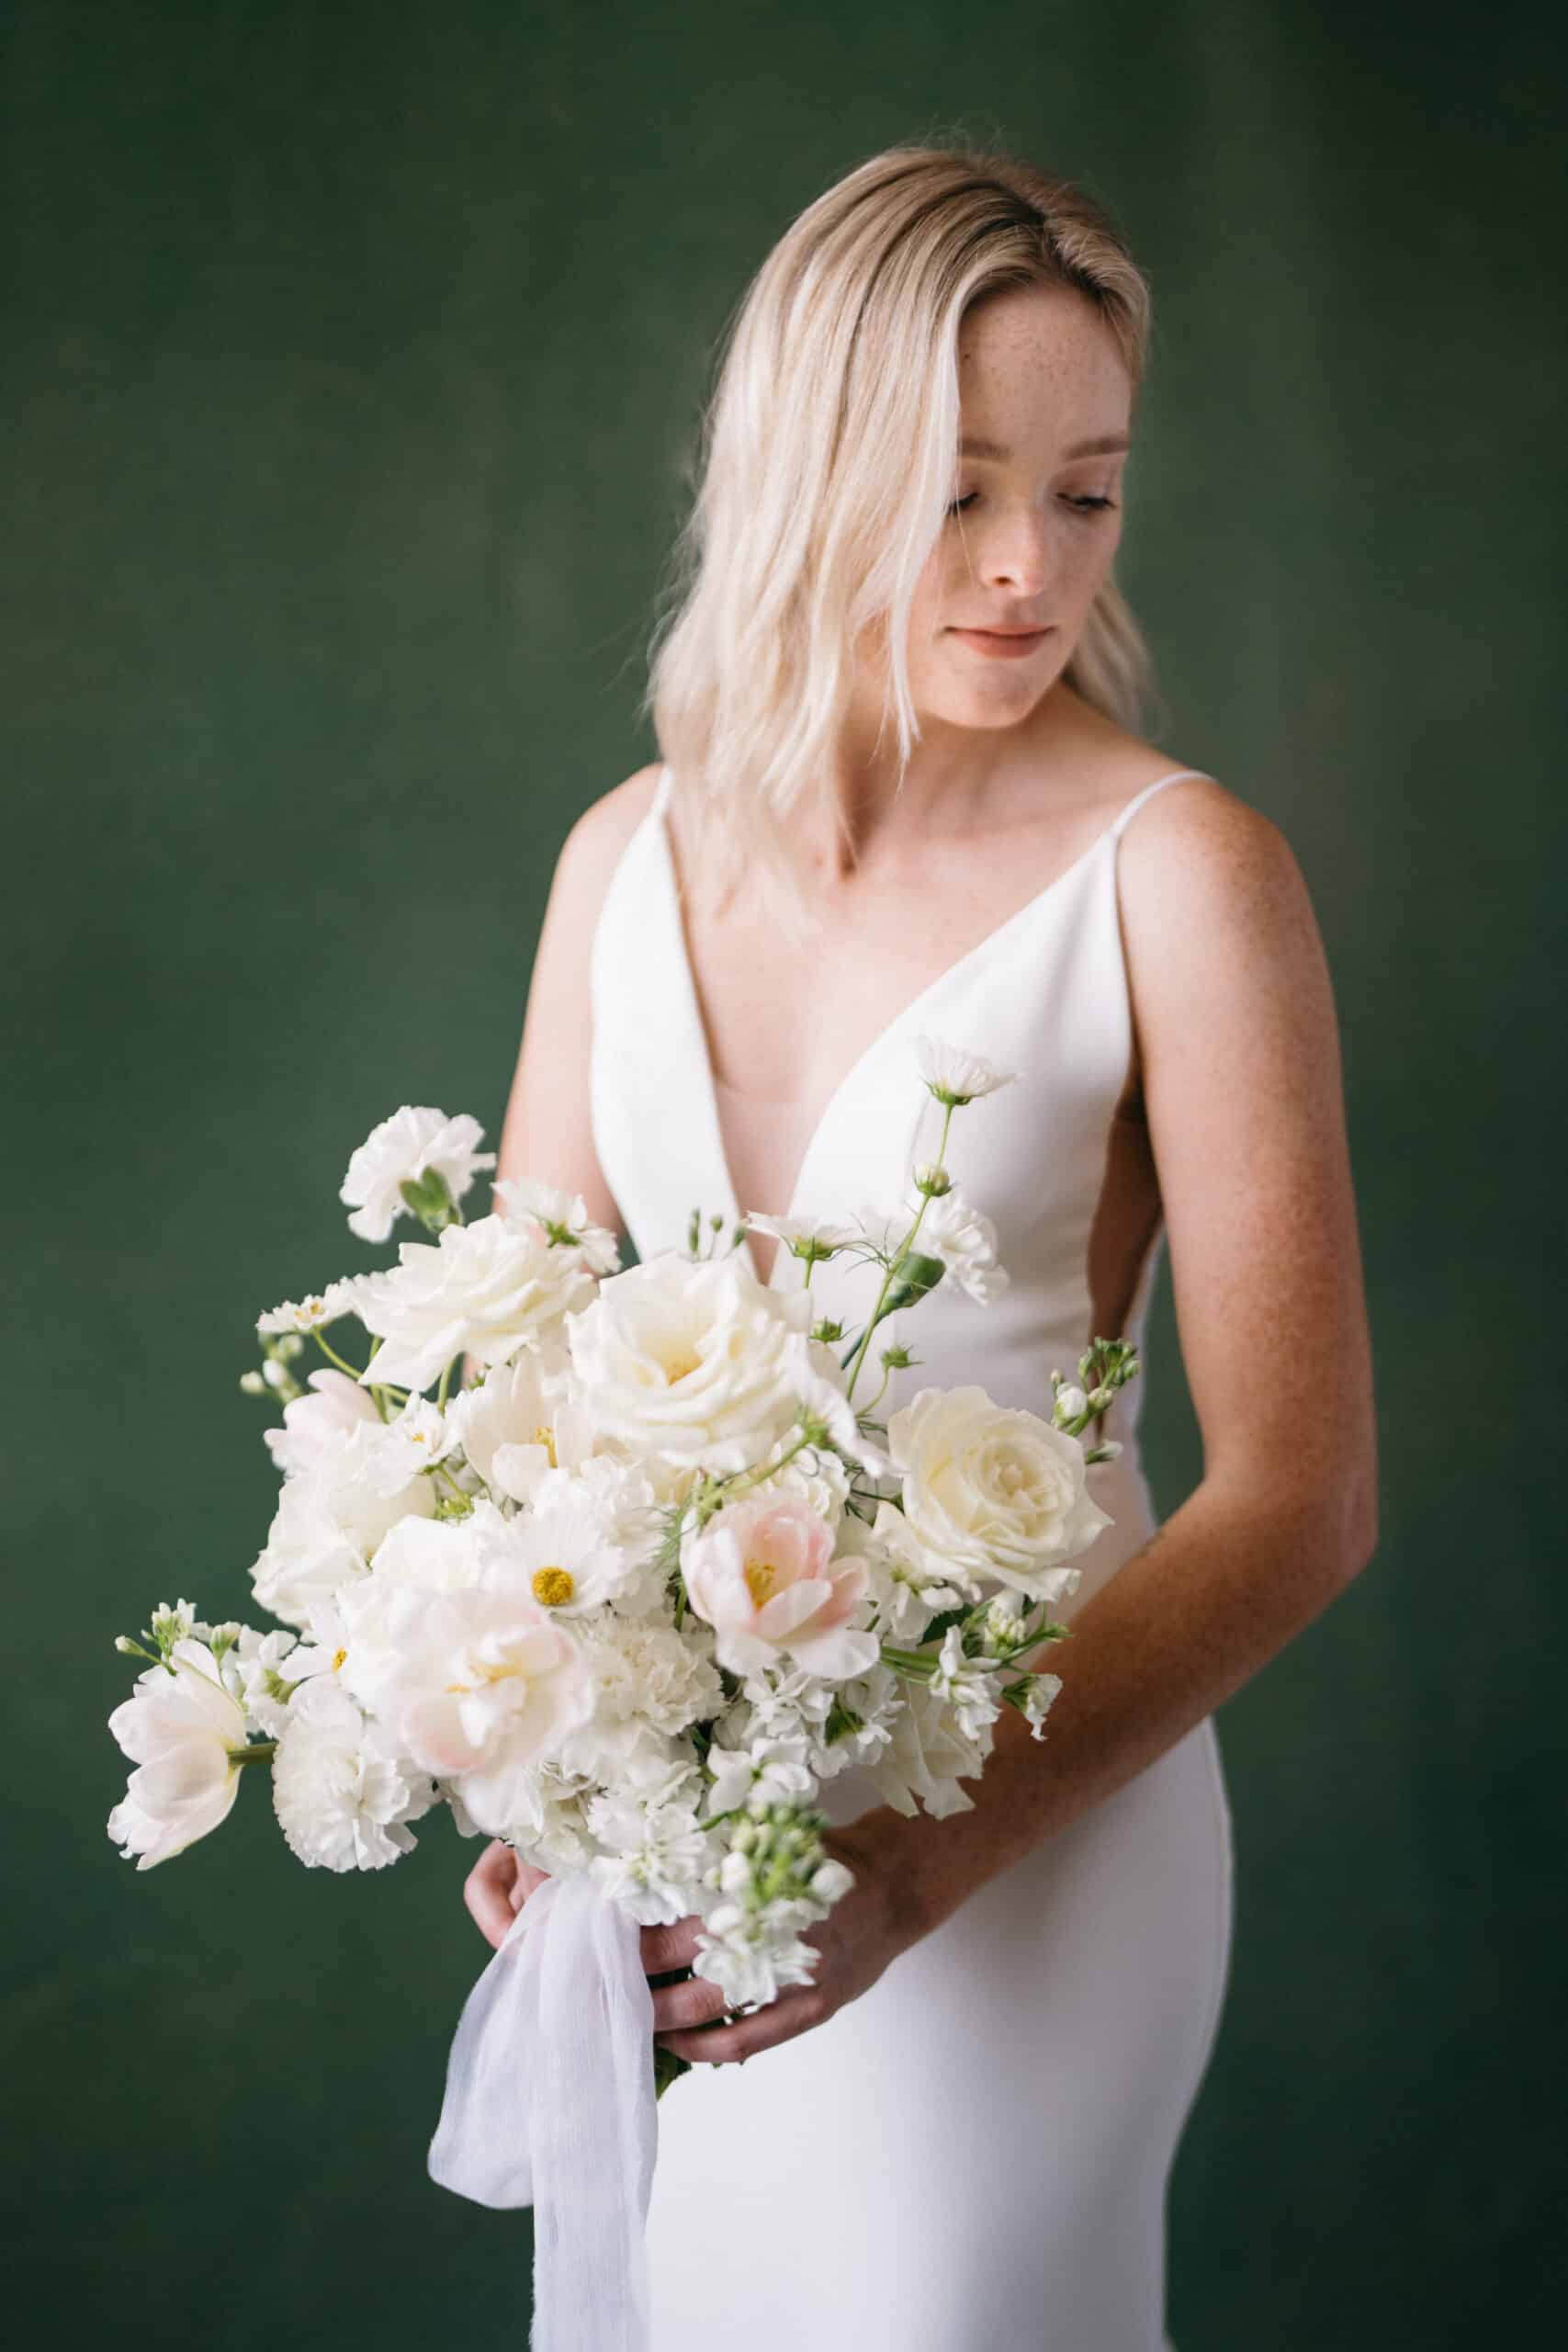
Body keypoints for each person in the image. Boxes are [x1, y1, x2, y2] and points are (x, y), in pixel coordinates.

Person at [462, 142, 1378, 2351]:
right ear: (807, 472)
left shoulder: (1182, 871)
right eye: (956, 489)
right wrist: (537, 1761)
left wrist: (917, 1863)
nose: (1020, 569)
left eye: (1083, 492)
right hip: (704, 1855)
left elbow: (1300, 1494)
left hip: (1032, 1847)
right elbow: (509, 1377)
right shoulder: (625, 859)